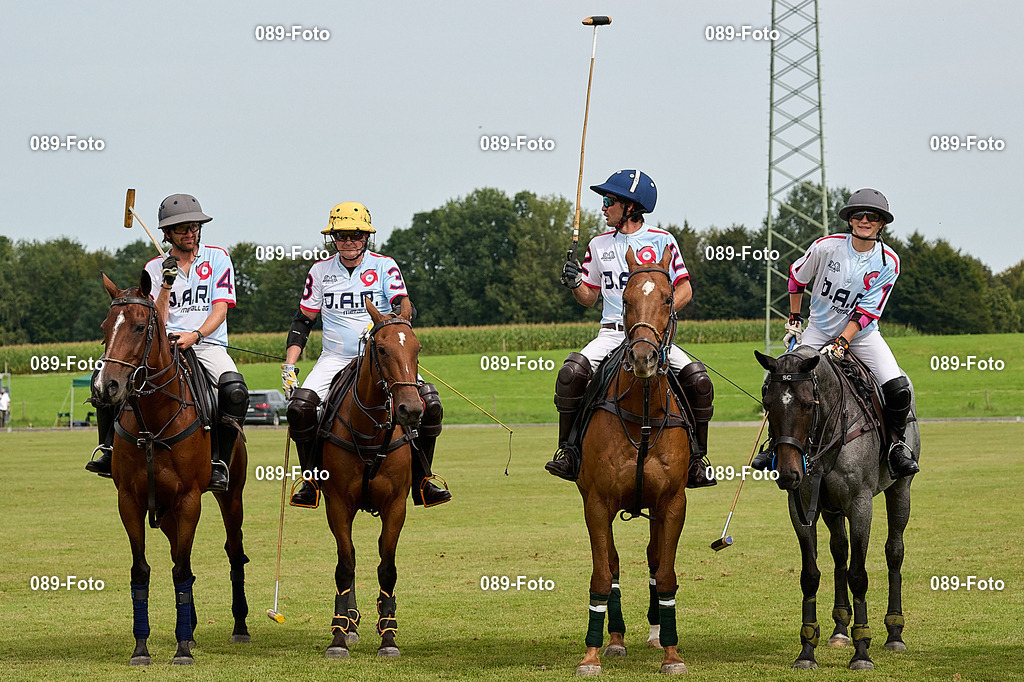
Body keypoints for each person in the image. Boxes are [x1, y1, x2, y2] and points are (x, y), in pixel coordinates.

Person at [545, 169, 716, 488]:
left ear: (631, 207)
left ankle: (696, 459)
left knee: (699, 380)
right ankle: (568, 452)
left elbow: (684, 289)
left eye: (609, 200)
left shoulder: (663, 241)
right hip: (611, 333)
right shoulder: (598, 245)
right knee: (570, 374)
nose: (603, 207)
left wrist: (657, 319)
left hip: (654, 337)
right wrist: (574, 283)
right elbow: (589, 297)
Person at [282, 201, 450, 508]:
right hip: (334, 357)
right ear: (333, 238)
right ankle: (311, 481)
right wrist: (290, 365)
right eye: (342, 235)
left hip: (382, 358)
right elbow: (303, 320)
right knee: (299, 409)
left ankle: (423, 480)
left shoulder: (385, 266)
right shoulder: (319, 271)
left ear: (366, 238)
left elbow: (402, 305)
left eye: (356, 235)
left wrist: (389, 327)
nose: (349, 241)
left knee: (432, 405)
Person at [752, 188, 919, 478]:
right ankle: (773, 444)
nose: (864, 220)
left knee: (898, 388)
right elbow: (796, 278)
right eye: (859, 215)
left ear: (881, 224)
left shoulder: (888, 261)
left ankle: (896, 446)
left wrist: (843, 342)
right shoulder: (826, 247)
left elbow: (868, 311)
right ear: (850, 220)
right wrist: (794, 319)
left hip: (863, 336)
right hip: (818, 330)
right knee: (775, 380)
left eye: (873, 216)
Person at [86, 193, 248, 492]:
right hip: (163, 347)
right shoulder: (155, 267)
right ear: (167, 233)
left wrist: (196, 335)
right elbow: (156, 317)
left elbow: (221, 308)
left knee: (234, 391)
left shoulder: (218, 258)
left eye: (194, 226)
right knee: (105, 379)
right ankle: (108, 448)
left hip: (207, 344)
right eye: (182, 228)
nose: (191, 233)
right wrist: (167, 283)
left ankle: (219, 462)